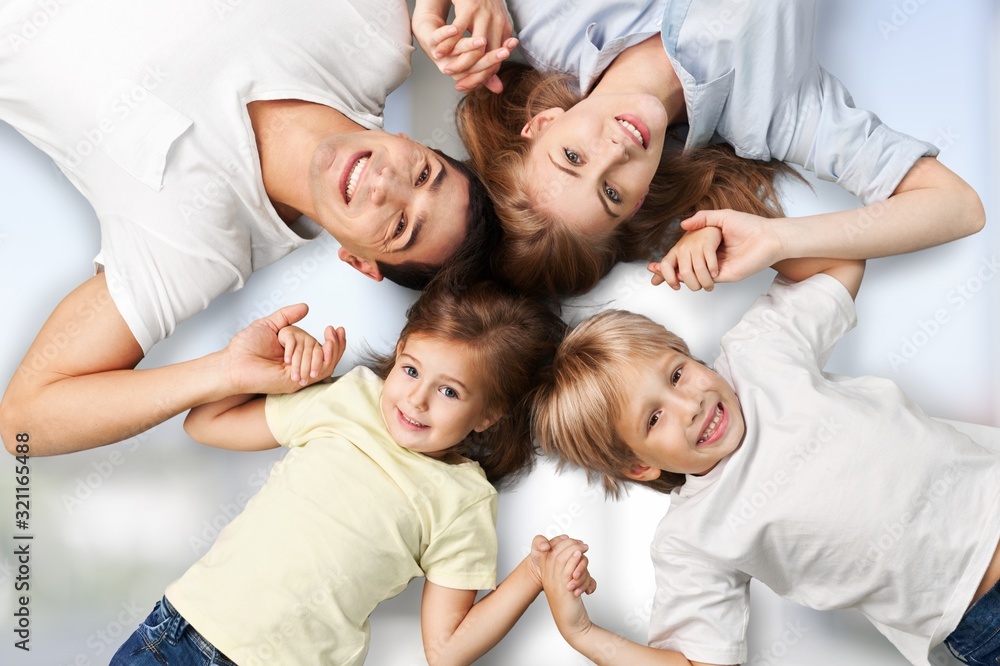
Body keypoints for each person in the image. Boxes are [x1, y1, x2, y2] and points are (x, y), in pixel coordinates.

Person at [0, 0, 512, 456]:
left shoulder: (196, 252)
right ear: (410, 139)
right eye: (422, 172)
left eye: (400, 226)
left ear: (359, 261)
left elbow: (25, 420)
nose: (385, 183)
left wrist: (222, 372)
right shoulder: (374, 33)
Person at [531, 245, 1000, 665]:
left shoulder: (757, 354)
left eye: (676, 374)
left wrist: (725, 247)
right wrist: (583, 633)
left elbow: (840, 260)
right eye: (653, 419)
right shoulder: (691, 538)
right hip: (980, 616)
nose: (689, 405)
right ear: (639, 465)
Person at [107, 280, 594, 665]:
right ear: (400, 350)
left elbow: (445, 651)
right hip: (178, 636)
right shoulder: (348, 397)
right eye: (410, 369)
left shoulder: (463, 499)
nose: (417, 399)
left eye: (449, 392)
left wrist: (534, 572)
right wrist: (272, 362)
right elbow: (204, 423)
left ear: (488, 415)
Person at [441, 0, 985, 297]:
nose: (614, 153)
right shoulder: (777, 114)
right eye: (610, 192)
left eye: (573, 158)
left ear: (543, 124)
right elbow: (958, 207)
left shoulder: (539, 19)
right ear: (637, 202)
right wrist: (777, 239)